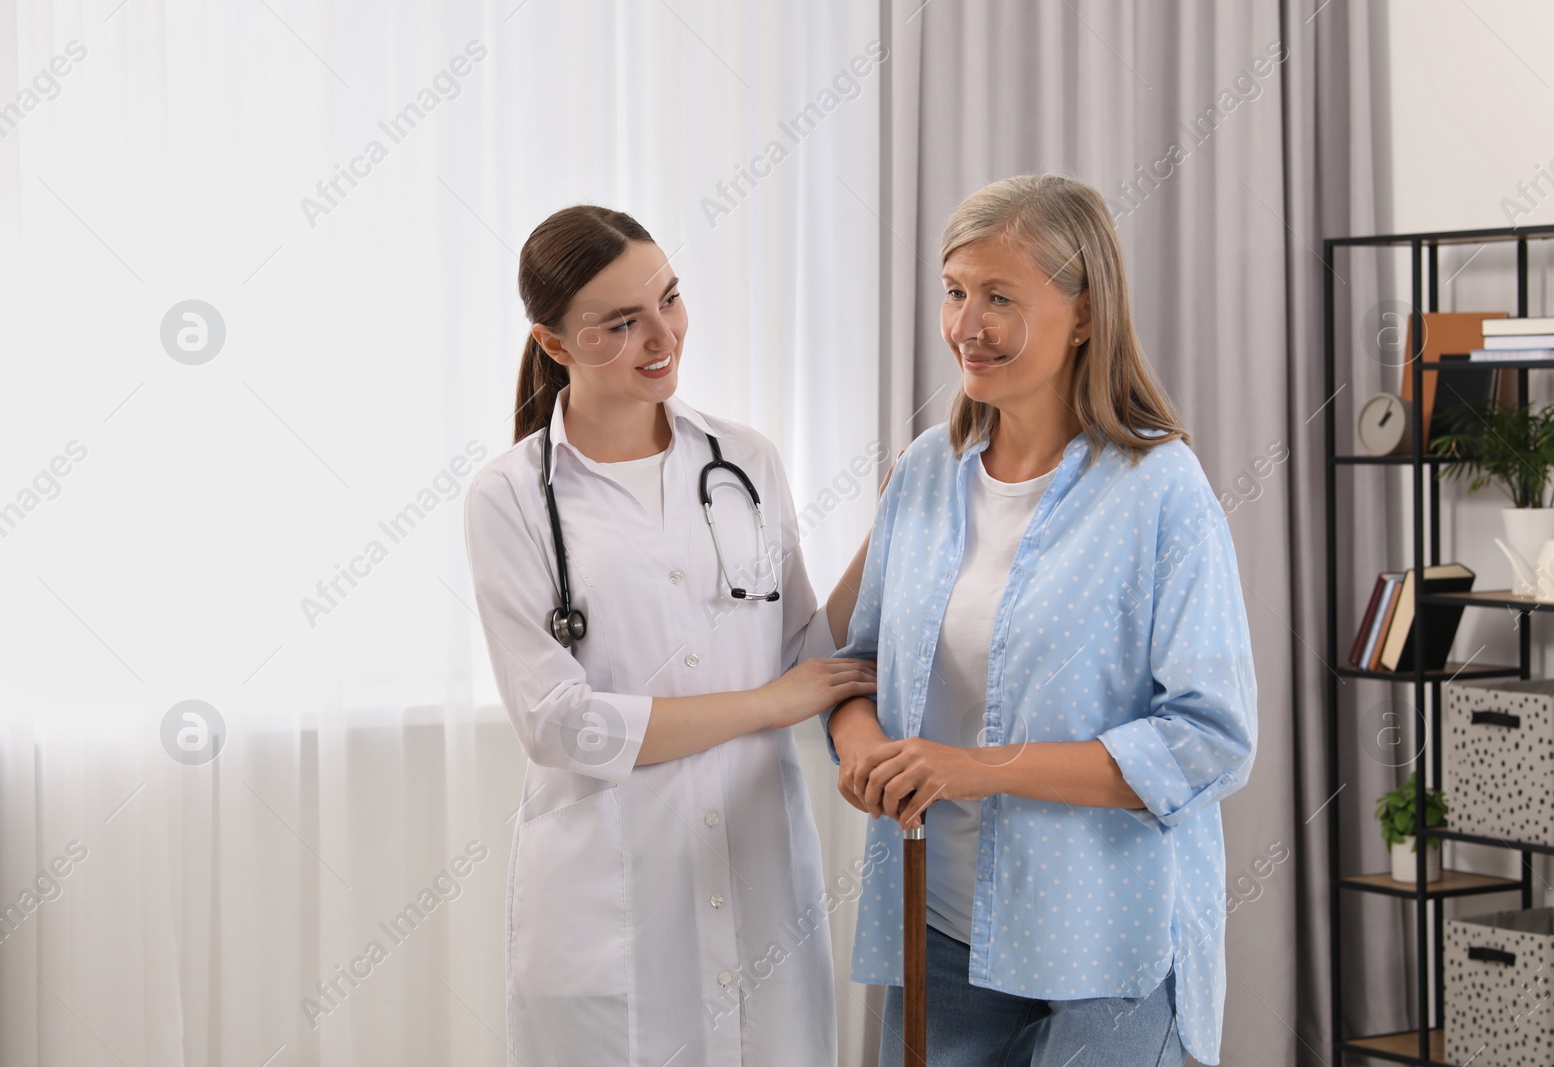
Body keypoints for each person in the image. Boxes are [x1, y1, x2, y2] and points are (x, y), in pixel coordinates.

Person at [821, 174, 1258, 1066]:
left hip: (1107, 946)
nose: (966, 325)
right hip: (938, 931)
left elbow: (1209, 737)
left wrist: (976, 769)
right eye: (954, 292)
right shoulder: (924, 475)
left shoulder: (1160, 491)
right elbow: (854, 666)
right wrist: (865, 747)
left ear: (1086, 314)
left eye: (999, 298)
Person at [463, 204, 876, 1066]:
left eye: (671, 299)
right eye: (621, 323)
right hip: (613, 900)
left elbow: (803, 652)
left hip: (756, 866)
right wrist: (766, 703)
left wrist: (896, 526)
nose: (663, 337)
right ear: (554, 344)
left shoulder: (745, 461)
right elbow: (560, 724)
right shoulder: (509, 498)